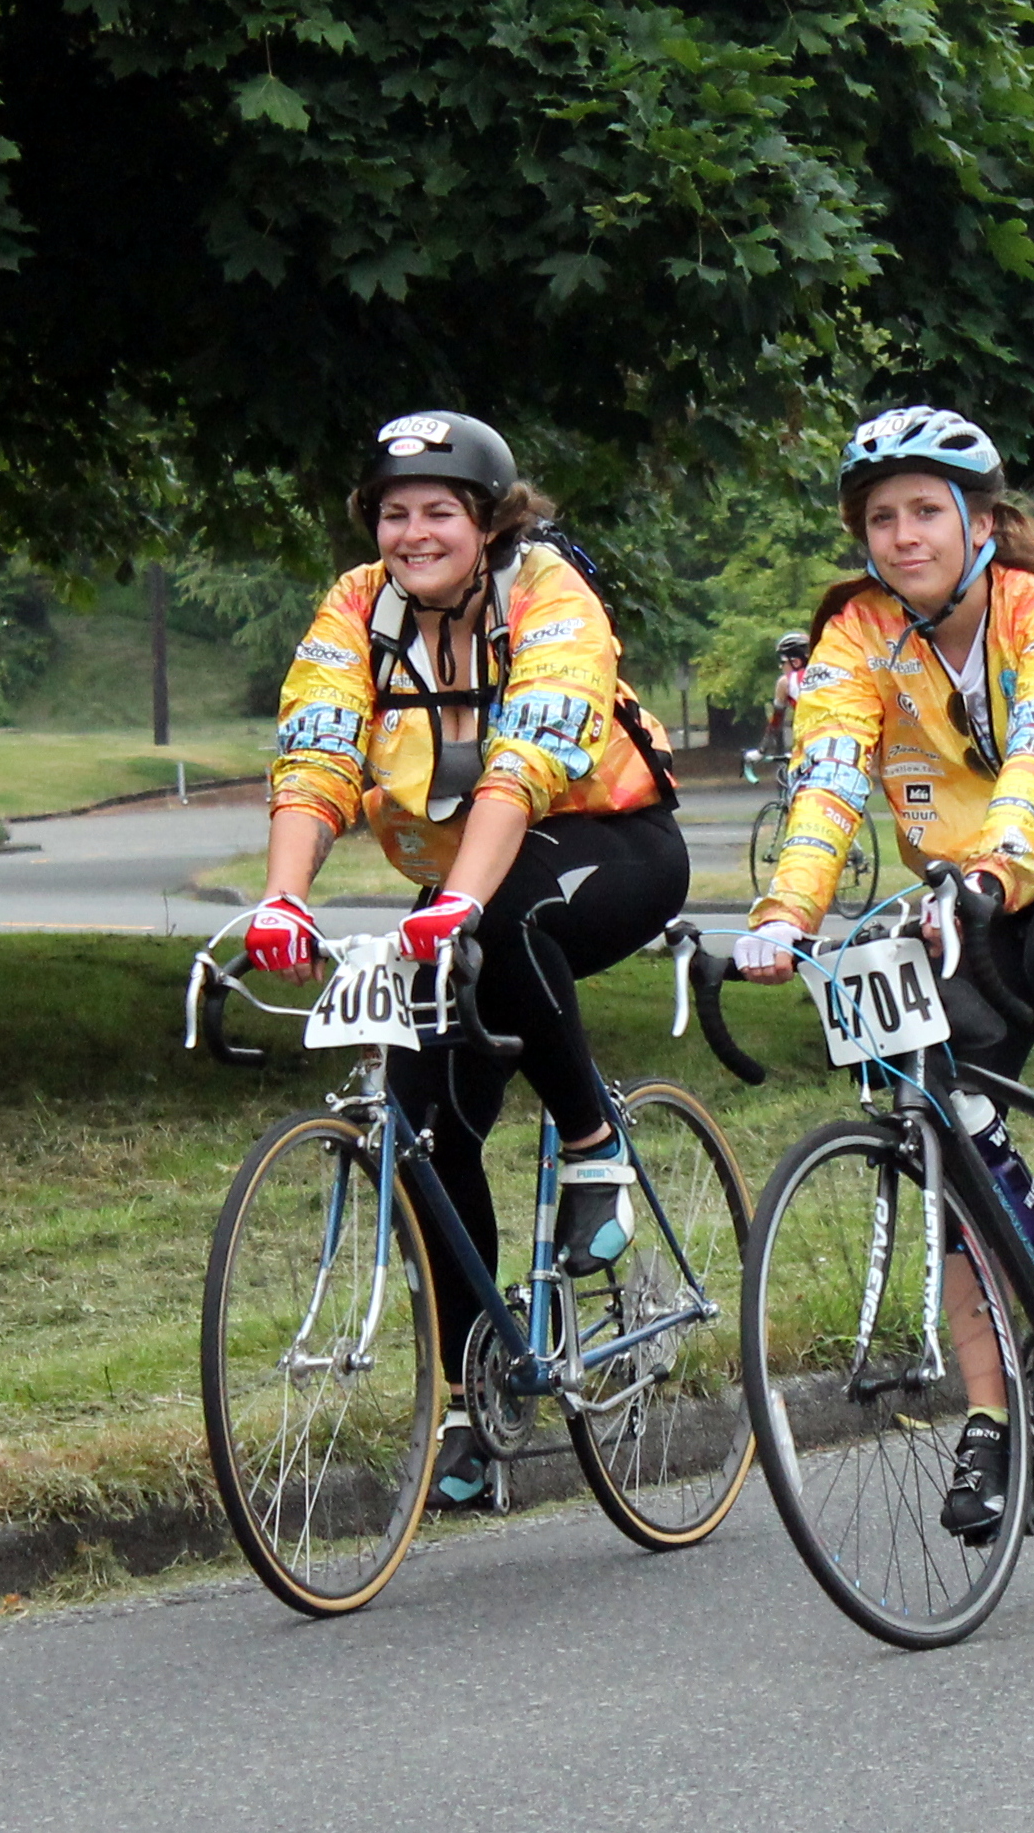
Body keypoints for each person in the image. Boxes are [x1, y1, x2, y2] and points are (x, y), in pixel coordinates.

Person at [734, 405, 1034, 1545]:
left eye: (924, 513)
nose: (901, 537)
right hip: (967, 889)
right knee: (945, 1128)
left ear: (979, 522)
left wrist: (992, 876)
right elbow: (832, 780)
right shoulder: (856, 635)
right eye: (880, 519)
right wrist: (786, 911)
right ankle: (990, 1420)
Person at [246, 410, 687, 1510]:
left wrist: (453, 902)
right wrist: (282, 898)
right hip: (467, 882)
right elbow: (314, 755)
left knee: (504, 924)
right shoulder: (355, 608)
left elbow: (525, 766)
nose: (412, 532)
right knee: (425, 1126)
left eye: (438, 511)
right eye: (393, 513)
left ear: (488, 525)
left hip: (607, 844)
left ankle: (592, 1146)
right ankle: (472, 1389)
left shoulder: (547, 594)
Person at [762, 629, 810, 756]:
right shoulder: (832, 675)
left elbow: (776, 722)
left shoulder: (786, 682)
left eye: (782, 662)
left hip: (812, 743)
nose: (780, 666)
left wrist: (761, 751)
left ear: (796, 662)